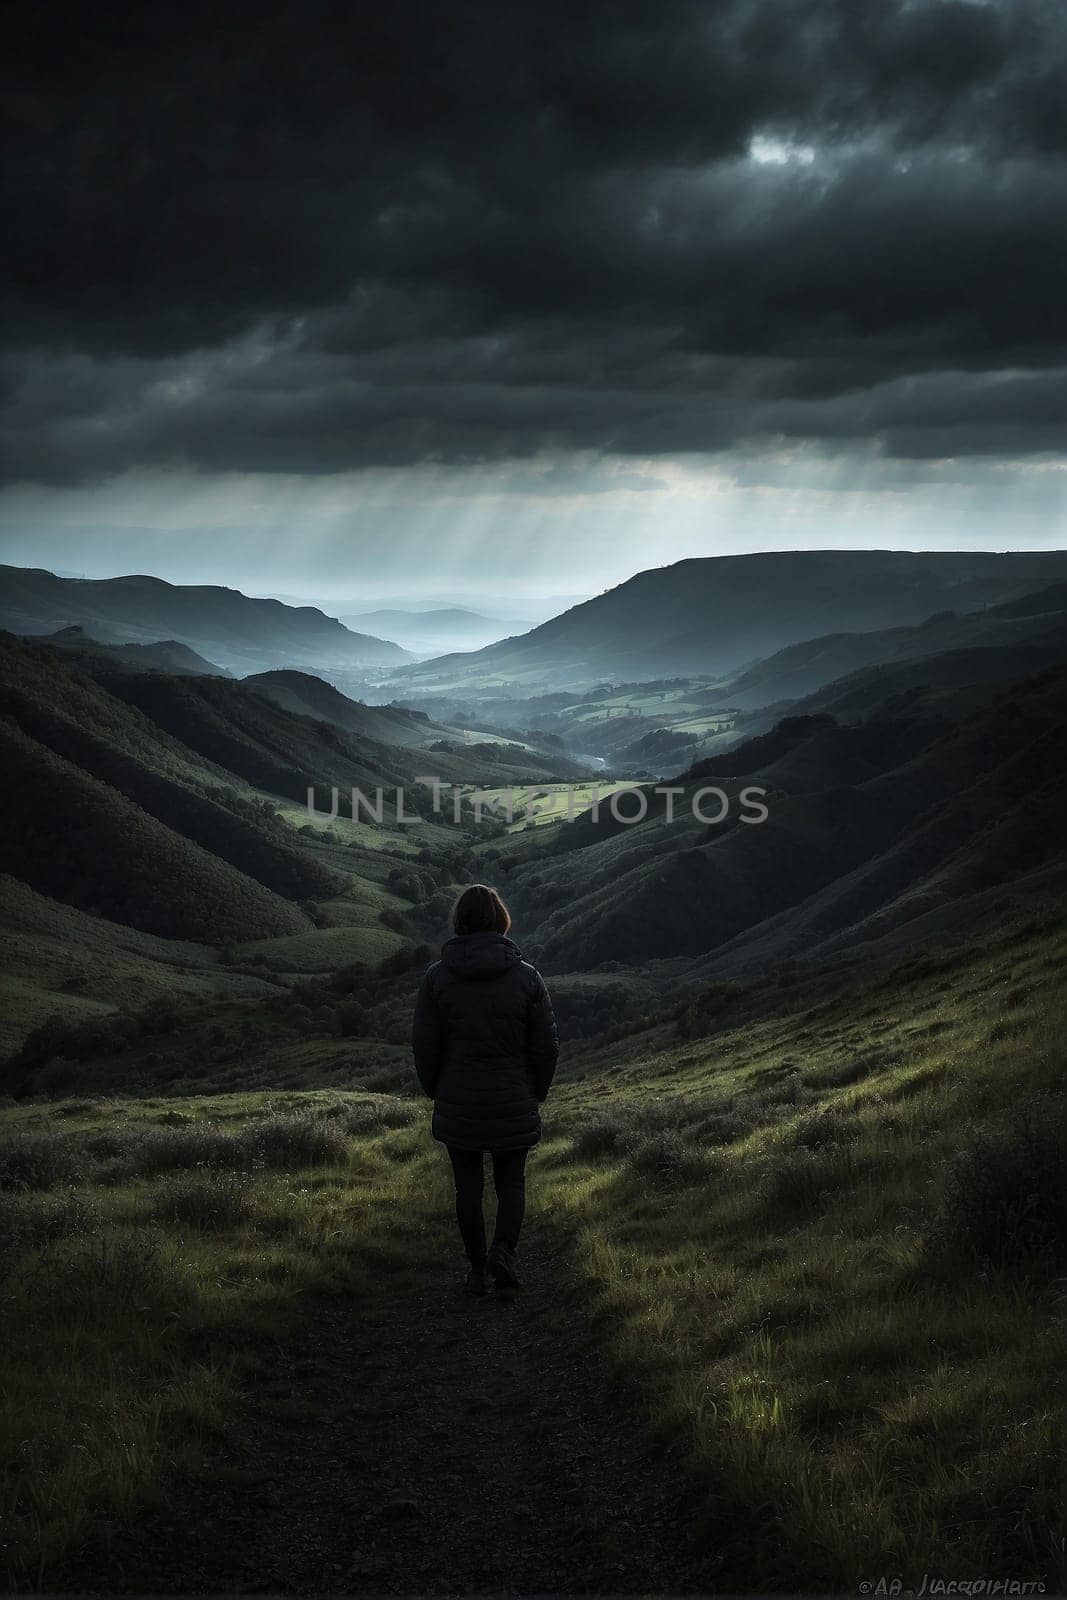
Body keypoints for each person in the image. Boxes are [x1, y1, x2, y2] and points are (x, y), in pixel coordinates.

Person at [411, 883, 559, 1296]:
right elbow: (546, 1045)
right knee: (512, 1182)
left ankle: (476, 1270)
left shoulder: (437, 978)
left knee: (468, 1187)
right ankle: (503, 1252)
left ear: (459, 921)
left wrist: (434, 1089)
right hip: (513, 1095)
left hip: (458, 1097)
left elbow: (424, 1044)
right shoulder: (528, 977)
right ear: (501, 921)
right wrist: (537, 1091)